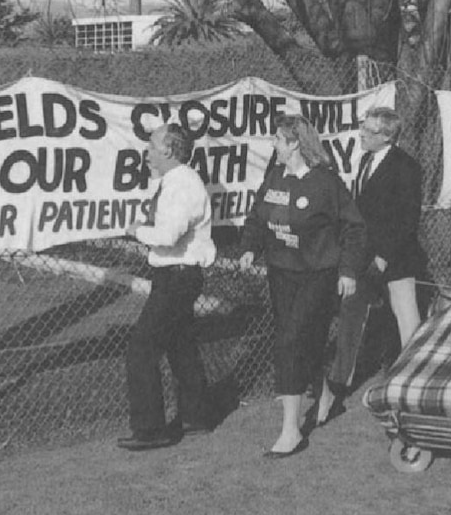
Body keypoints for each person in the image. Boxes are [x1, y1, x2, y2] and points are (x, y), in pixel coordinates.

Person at [239, 114, 366, 458]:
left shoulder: (326, 183)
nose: (274, 146)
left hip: (317, 274)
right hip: (281, 273)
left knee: (291, 340)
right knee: (300, 339)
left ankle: (290, 431)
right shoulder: (275, 176)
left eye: (279, 140)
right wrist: (250, 247)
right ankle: (323, 394)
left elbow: (354, 228)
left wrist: (349, 271)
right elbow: (257, 216)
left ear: (295, 143)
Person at [315, 107, 426, 427]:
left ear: (386, 136)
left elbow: (407, 219)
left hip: (396, 259)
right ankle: (337, 385)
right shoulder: (365, 160)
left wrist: (384, 256)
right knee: (351, 314)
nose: (360, 134)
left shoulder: (407, 168)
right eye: (362, 128)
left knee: (407, 319)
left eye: (367, 130)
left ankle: (414, 381)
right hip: (363, 256)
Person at [117, 122, 218, 451]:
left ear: (169, 150)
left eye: (151, 147)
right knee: (180, 346)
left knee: (141, 347)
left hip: (178, 276)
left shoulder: (182, 185)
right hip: (172, 273)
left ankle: (150, 428)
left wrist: (136, 231)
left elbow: (167, 236)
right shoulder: (171, 182)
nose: (146, 153)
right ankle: (196, 415)